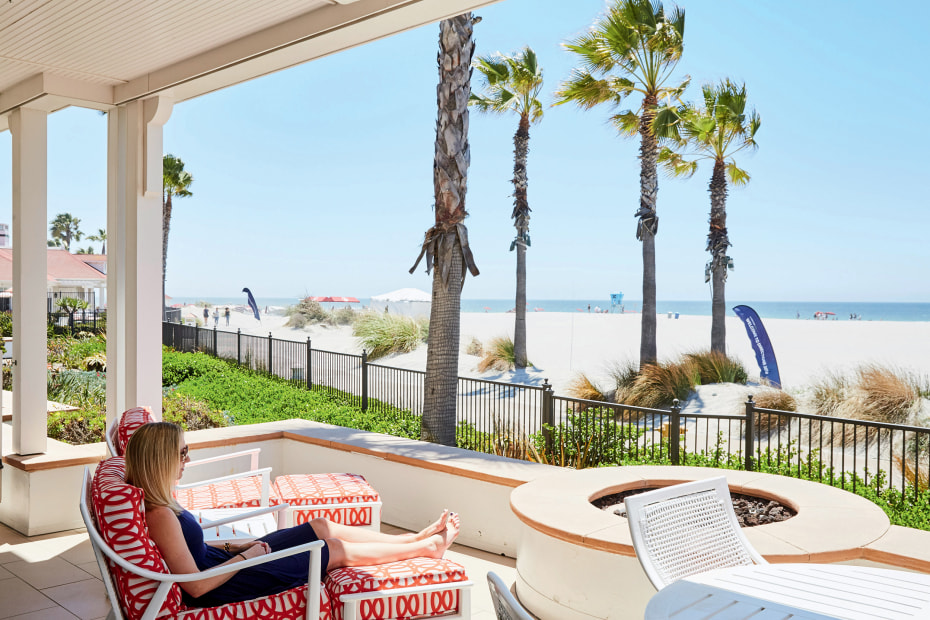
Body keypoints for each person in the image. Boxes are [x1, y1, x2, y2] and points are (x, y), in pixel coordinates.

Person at [124, 423, 459, 608]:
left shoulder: (160, 502)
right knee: (334, 549)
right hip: (226, 583)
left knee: (320, 526)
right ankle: (425, 549)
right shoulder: (160, 514)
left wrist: (238, 547)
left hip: (227, 563)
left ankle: (410, 538)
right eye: (183, 452)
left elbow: (191, 552)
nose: (188, 459)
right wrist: (251, 555)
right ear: (160, 458)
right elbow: (195, 586)